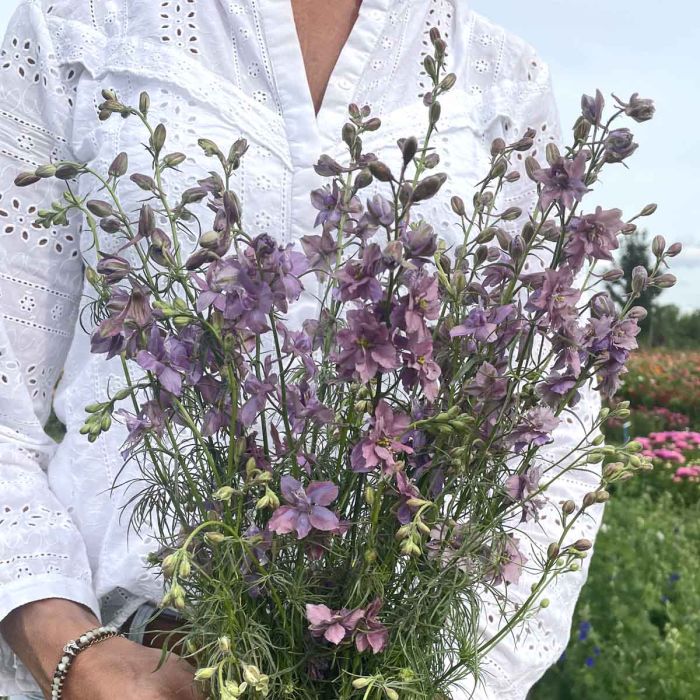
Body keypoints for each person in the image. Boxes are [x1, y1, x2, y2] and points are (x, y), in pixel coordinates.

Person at [0, 1, 604, 698]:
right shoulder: (86, 29)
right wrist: (73, 650)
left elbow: (558, 415)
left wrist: (463, 681)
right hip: (130, 664)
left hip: (393, 668)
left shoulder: (503, 80)